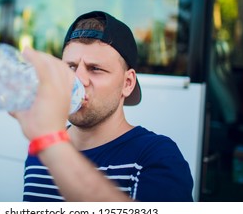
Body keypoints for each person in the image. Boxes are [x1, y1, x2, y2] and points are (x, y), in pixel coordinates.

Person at [10, 11, 193, 202]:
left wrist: (52, 144)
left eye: (95, 69)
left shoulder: (157, 156)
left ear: (127, 83)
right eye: (71, 67)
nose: (78, 80)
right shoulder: (41, 150)